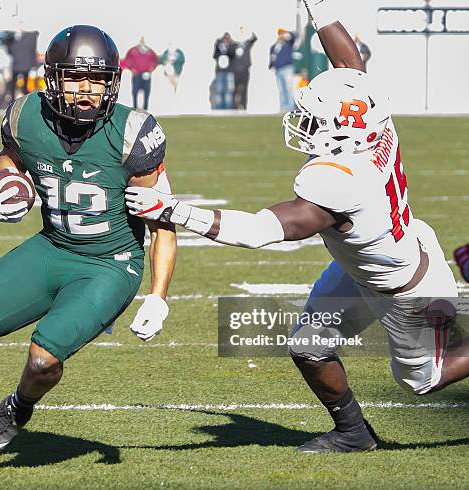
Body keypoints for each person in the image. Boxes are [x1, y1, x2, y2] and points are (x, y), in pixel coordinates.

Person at [125, 0, 466, 453]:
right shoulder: (373, 120)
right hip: (377, 259)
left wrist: (176, 211)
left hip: (405, 290)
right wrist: (319, 5)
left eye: (315, 120)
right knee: (309, 345)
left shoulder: (338, 181)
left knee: (422, 381)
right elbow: (349, 63)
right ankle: (353, 434)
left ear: (342, 133)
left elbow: (260, 230)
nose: (303, 124)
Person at [0, 25, 177, 472]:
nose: (86, 90)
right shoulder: (24, 115)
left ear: (113, 81)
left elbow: (161, 220)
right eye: (75, 77)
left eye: (97, 80)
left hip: (110, 264)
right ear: (52, 78)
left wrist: (158, 295)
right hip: (52, 246)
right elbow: (8, 165)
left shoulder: (134, 132)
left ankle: (17, 408)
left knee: (42, 358)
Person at [3, 25, 39, 100]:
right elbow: (11, 51)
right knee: (18, 87)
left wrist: (34, 66)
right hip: (20, 65)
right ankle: (20, 101)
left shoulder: (29, 37)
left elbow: (32, 52)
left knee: (22, 87)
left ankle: (21, 101)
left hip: (21, 66)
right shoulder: (29, 37)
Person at [123, 37, 159, 110]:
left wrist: (151, 68)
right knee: (135, 91)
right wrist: (131, 68)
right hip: (136, 75)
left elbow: (155, 61)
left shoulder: (149, 51)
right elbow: (127, 60)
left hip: (146, 75)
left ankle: (145, 107)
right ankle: (135, 106)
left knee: (146, 91)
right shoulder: (133, 50)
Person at [269, 27, 296, 113]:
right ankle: (284, 108)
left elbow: (294, 36)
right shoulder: (275, 46)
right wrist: (271, 65)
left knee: (288, 88)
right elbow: (272, 56)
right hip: (278, 70)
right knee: (281, 90)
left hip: (287, 68)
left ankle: (290, 108)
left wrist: (287, 35)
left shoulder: (288, 43)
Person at [230, 27, 257, 110]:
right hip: (235, 70)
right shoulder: (233, 45)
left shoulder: (247, 43)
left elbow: (254, 38)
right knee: (235, 89)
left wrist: (247, 29)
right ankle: (234, 107)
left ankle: (244, 106)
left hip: (245, 70)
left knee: (244, 89)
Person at [212, 32, 236, 110]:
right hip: (220, 71)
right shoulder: (219, 45)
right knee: (219, 90)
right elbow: (215, 56)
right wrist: (220, 46)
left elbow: (233, 54)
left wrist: (226, 49)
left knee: (228, 90)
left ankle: (228, 107)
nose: (226, 40)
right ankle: (219, 107)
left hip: (229, 71)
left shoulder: (232, 46)